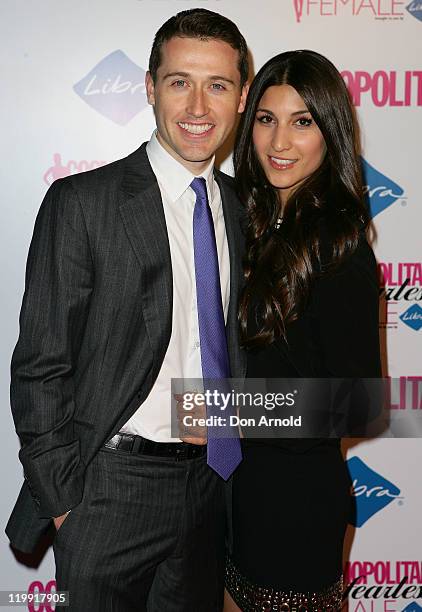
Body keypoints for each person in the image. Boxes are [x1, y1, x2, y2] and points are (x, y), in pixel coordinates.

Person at [6, 8, 249, 611]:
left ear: (242, 97)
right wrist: (67, 506)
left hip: (210, 484)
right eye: (179, 82)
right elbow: (41, 365)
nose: (197, 106)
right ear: (149, 87)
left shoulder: (243, 209)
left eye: (217, 85)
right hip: (109, 491)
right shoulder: (84, 203)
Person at [224, 50, 381, 611]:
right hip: (236, 496)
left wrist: (226, 413)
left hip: (295, 507)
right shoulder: (252, 225)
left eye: (302, 121)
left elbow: (359, 407)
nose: (280, 142)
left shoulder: (340, 250)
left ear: (329, 131)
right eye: (266, 119)